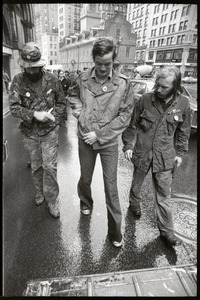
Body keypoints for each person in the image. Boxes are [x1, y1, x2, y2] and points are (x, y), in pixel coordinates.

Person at [68, 37, 134, 247]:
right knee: (85, 178)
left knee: (111, 187)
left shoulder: (123, 83)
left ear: (114, 59)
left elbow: (125, 115)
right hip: (85, 139)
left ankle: (115, 233)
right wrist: (80, 114)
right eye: (99, 63)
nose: (103, 68)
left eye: (108, 63)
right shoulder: (83, 78)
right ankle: (85, 202)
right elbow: (72, 96)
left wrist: (100, 134)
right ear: (93, 59)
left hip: (107, 143)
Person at [122, 66, 191, 247]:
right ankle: (134, 204)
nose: (158, 90)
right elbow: (132, 125)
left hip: (165, 156)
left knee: (164, 195)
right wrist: (128, 145)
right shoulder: (145, 99)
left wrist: (180, 154)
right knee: (137, 183)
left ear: (175, 86)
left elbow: (183, 132)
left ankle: (167, 232)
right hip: (143, 152)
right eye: (157, 85)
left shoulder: (183, 104)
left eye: (164, 87)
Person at [9, 42, 66, 218]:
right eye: (29, 68)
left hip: (49, 131)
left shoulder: (53, 79)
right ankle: (39, 192)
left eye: (36, 67)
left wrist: (53, 118)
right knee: (36, 167)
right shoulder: (18, 81)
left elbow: (62, 103)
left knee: (50, 166)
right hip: (30, 133)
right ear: (24, 65)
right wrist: (35, 114)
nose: (33, 71)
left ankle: (52, 200)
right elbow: (14, 107)